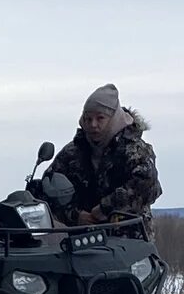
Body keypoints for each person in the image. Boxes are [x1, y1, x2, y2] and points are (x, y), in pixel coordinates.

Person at [46, 83, 162, 230]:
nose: (93, 125)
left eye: (100, 118)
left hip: (130, 240)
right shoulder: (73, 152)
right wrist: (75, 215)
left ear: (114, 119)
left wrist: (106, 208)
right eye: (88, 119)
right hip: (81, 242)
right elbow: (48, 190)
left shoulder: (134, 150)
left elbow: (147, 187)